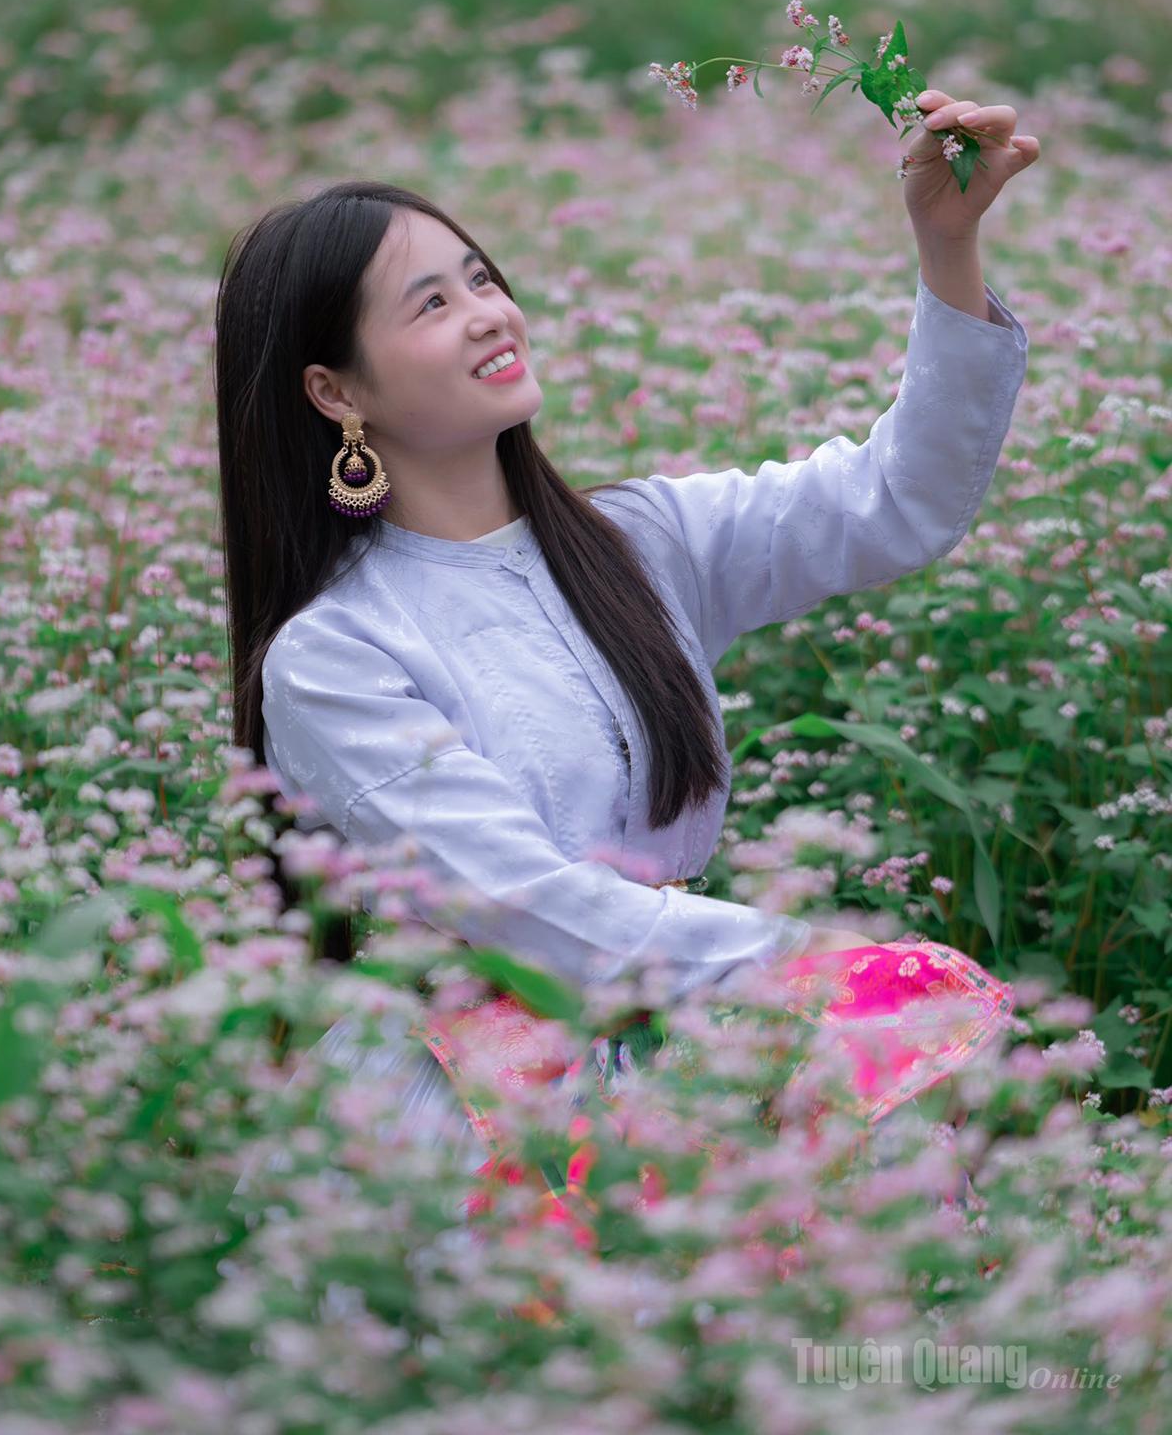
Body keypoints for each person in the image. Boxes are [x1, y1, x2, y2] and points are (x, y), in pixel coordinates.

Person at [214, 170, 1027, 1201]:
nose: (486, 316)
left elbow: (900, 498)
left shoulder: (640, 541)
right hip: (476, 1109)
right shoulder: (335, 654)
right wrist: (810, 964)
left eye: (479, 279)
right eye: (431, 304)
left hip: (701, 1042)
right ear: (337, 391)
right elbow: (528, 906)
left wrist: (946, 246)